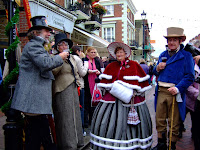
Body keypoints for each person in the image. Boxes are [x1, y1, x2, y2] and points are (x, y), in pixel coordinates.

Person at [11, 16, 69, 150]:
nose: (49, 34)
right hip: (33, 99)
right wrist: (59, 57)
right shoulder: (33, 46)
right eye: (46, 31)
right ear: (36, 33)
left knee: (35, 134)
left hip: (35, 100)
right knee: (40, 133)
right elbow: (45, 63)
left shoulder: (36, 46)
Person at [90, 42, 152, 149]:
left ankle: (132, 143)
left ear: (126, 53)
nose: (119, 54)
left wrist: (134, 91)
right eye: (117, 52)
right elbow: (104, 83)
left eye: (121, 52)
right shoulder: (111, 66)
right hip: (112, 99)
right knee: (107, 121)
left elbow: (142, 84)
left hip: (131, 100)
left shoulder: (134, 65)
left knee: (130, 124)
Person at [152, 27, 195, 150]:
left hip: (175, 92)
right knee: (159, 118)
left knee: (174, 121)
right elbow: (155, 71)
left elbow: (190, 76)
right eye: (169, 40)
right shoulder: (163, 54)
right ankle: (161, 144)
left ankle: (172, 144)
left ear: (180, 41)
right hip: (161, 91)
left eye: (174, 40)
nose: (171, 42)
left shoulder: (186, 56)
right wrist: (157, 68)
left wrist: (178, 88)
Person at [52, 33, 84, 150]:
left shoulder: (72, 58)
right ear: (57, 47)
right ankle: (68, 145)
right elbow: (53, 72)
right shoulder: (55, 58)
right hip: (62, 89)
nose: (64, 46)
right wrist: (60, 58)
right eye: (61, 44)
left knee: (75, 115)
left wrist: (78, 84)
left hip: (73, 88)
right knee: (66, 117)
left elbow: (75, 72)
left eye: (66, 44)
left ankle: (78, 141)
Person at [71, 45, 89, 135]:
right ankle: (81, 131)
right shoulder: (77, 59)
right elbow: (82, 73)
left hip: (72, 86)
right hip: (79, 86)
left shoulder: (69, 57)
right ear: (78, 51)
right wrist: (86, 63)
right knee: (80, 108)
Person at [83, 47, 101, 128]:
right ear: (88, 53)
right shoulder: (84, 60)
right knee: (86, 104)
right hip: (86, 84)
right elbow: (82, 71)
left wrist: (99, 72)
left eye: (94, 52)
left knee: (94, 103)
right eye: (92, 52)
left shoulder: (97, 61)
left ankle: (92, 120)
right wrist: (87, 72)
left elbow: (100, 70)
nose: (93, 54)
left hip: (95, 84)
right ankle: (86, 122)